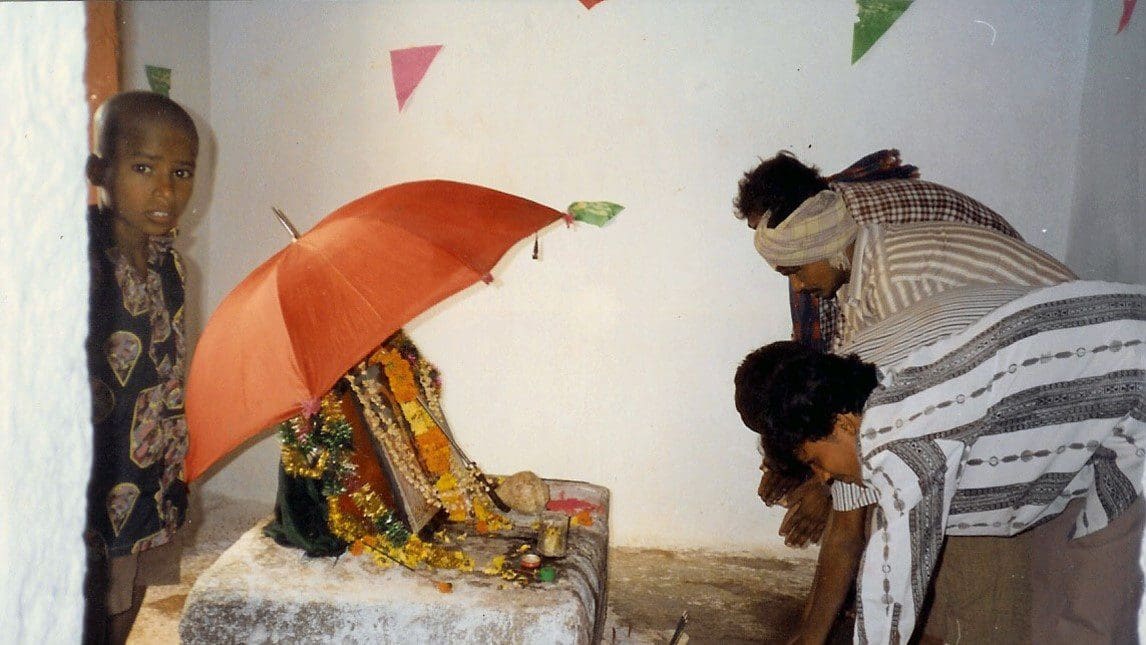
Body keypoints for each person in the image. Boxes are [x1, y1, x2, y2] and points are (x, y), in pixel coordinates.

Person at [734, 150, 1064, 643]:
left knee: (971, 569)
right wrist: (809, 637)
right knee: (907, 522)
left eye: (796, 272)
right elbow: (851, 514)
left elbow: (872, 489)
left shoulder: (896, 289)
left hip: (1056, 376)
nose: (800, 288)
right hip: (1009, 385)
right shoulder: (856, 297)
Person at [734, 280, 1146, 644]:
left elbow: (891, 588)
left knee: (1096, 606)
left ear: (842, 423)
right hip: (1105, 399)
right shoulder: (887, 393)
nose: (823, 477)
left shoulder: (896, 442)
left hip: (1132, 386)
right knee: (1061, 595)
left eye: (816, 461)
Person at [83, 91, 199, 645]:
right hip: (97, 471)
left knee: (135, 588)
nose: (166, 190)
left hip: (153, 468)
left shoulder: (172, 264)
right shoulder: (79, 259)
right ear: (99, 171)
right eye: (143, 168)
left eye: (181, 172)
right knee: (94, 592)